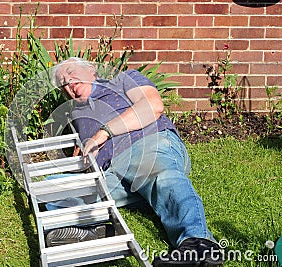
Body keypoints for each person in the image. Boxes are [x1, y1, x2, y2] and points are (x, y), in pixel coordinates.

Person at [47, 57, 224, 266]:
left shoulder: (124, 80)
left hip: (146, 145)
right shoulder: (75, 113)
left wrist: (103, 133)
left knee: (163, 178)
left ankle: (197, 247)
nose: (68, 85)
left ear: (92, 70)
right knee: (53, 190)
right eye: (62, 84)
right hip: (112, 172)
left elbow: (153, 106)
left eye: (71, 74)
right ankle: (97, 233)